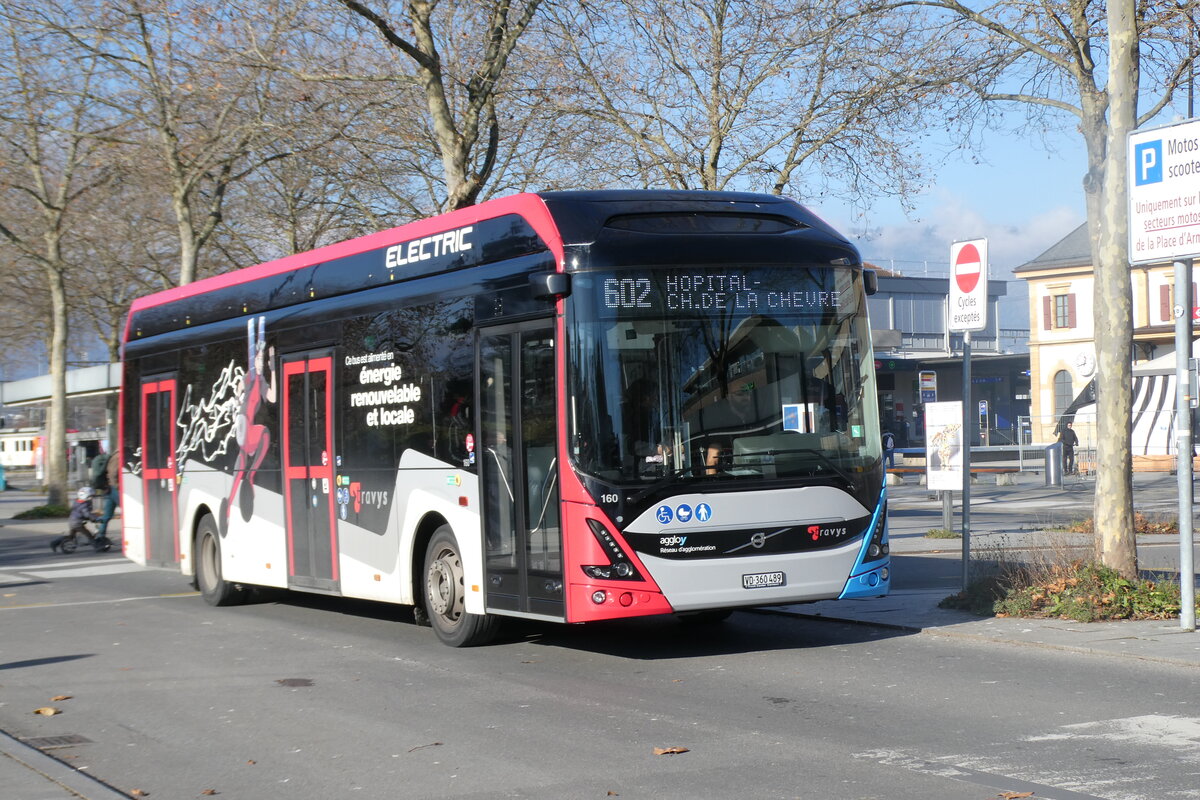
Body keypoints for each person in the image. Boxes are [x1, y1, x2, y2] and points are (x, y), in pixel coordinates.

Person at [51, 487, 101, 553]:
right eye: (90, 497)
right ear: (86, 497)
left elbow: (80, 513)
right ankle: (97, 547)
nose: (91, 498)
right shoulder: (84, 505)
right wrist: (95, 518)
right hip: (78, 524)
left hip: (72, 522)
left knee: (71, 537)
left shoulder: (77, 502)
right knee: (89, 535)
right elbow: (87, 514)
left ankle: (54, 543)